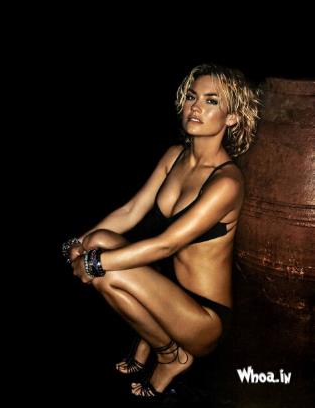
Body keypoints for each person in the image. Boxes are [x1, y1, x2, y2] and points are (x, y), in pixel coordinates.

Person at [63, 64, 260, 398]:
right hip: (167, 290)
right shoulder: (174, 156)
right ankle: (151, 336)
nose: (196, 107)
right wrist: (78, 243)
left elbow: (167, 245)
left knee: (106, 272)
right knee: (97, 241)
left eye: (211, 101)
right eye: (192, 97)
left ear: (232, 118)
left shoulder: (227, 182)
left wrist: (94, 263)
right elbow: (130, 211)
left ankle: (171, 355)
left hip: (202, 317)